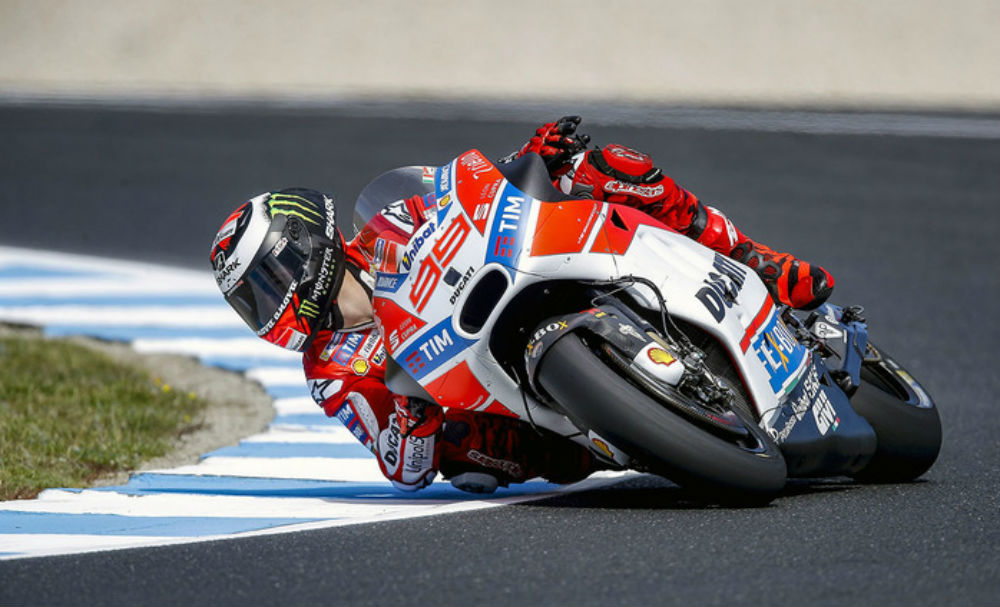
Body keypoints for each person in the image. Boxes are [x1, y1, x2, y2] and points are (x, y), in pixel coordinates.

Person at [209, 116, 834, 494]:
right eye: (251, 300)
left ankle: (757, 263)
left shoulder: (388, 222)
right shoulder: (330, 372)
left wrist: (530, 161)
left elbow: (470, 201)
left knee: (608, 167)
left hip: (512, 284)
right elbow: (400, 468)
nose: (267, 306)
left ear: (304, 246)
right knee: (468, 461)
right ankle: (612, 424)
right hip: (499, 413)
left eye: (265, 283)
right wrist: (411, 420)